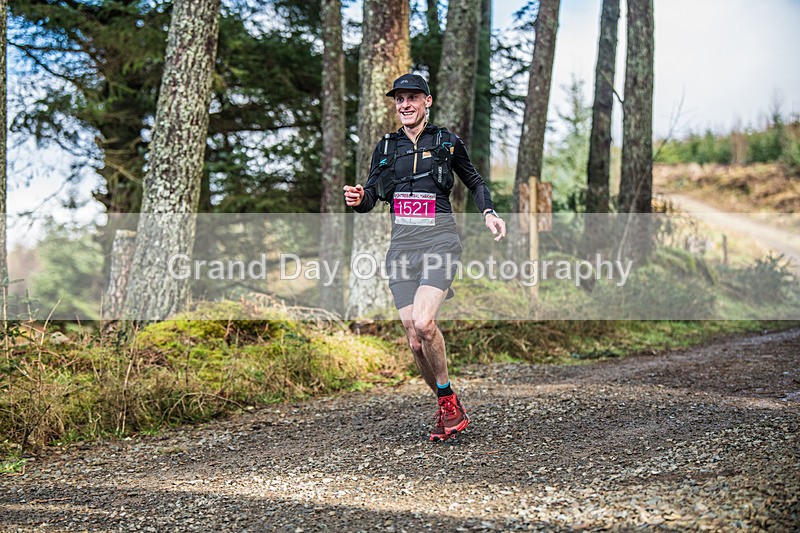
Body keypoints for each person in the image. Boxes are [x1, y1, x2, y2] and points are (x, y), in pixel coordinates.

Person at [344, 73, 505, 442]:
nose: (405, 105)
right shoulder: (386, 148)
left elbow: (476, 181)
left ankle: (447, 402)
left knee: (424, 323)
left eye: (412, 98)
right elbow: (371, 196)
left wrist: (489, 212)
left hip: (440, 241)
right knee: (414, 341)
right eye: (399, 99)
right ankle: (447, 403)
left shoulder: (446, 141)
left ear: (427, 101)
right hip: (401, 249)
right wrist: (358, 199)